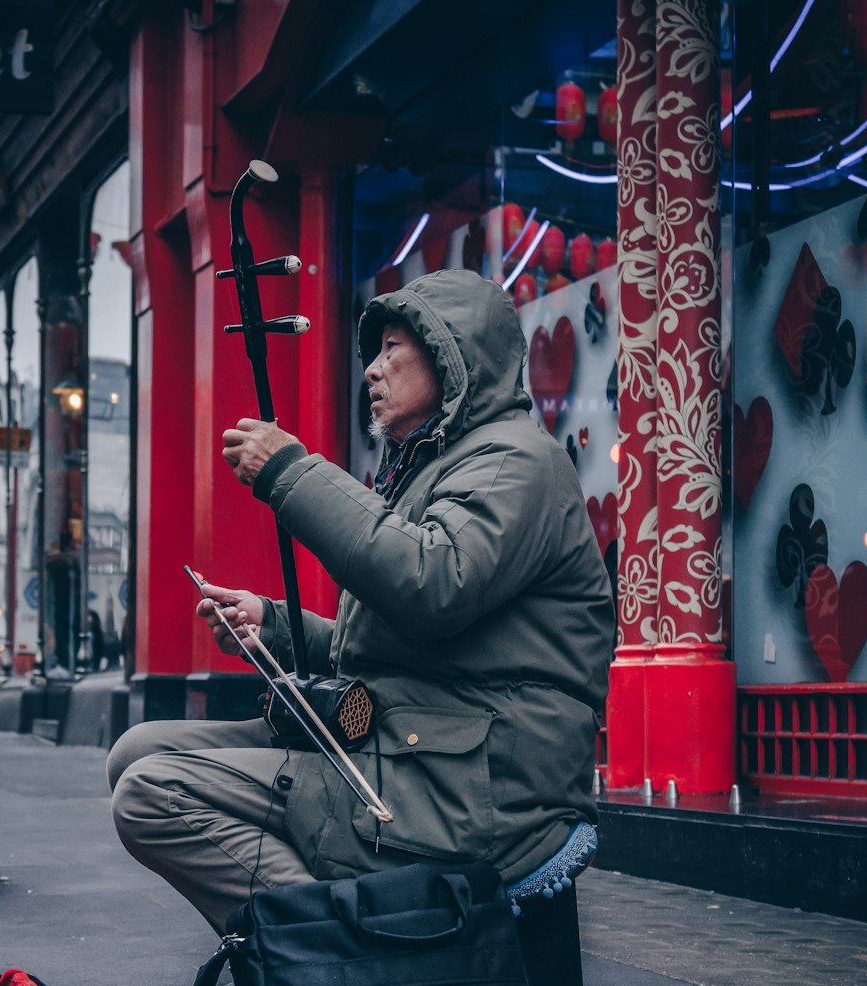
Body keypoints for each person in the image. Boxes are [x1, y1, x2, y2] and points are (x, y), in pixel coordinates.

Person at [109, 269, 615, 935]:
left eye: (391, 350)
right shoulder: (437, 463)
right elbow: (390, 643)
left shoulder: (514, 462)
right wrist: (276, 626)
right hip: (411, 739)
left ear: (450, 355)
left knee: (151, 796)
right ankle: (284, 946)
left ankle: (327, 955)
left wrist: (294, 473)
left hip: (478, 786)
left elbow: (432, 587)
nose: (372, 371)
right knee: (135, 751)